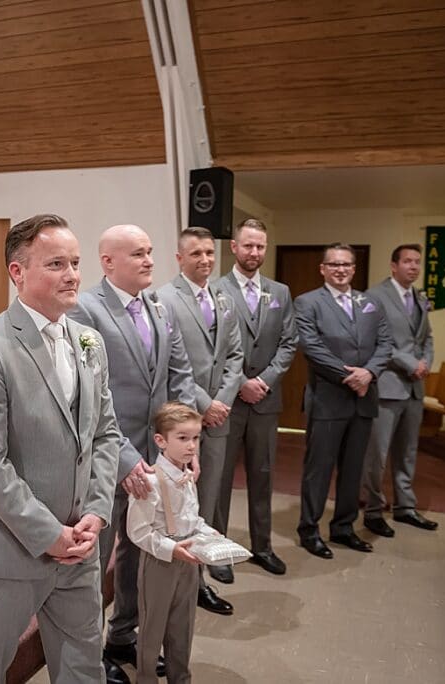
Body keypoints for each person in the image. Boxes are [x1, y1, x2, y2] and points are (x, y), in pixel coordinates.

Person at [0, 214, 120, 683]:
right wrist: (49, 534)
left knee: (84, 668)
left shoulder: (89, 342)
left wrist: (97, 514)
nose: (72, 275)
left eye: (76, 263)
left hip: (82, 542)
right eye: (56, 263)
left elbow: (105, 434)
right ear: (17, 273)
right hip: (11, 547)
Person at [68, 224, 196, 683]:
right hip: (107, 460)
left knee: (139, 554)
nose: (148, 261)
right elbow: (88, 395)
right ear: (108, 262)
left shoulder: (158, 307)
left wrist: (181, 445)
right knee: (97, 558)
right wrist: (124, 460)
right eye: (138, 254)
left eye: (150, 252)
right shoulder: (86, 311)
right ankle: (88, 654)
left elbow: (179, 376)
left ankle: (122, 634)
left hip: (155, 457)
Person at [156, 227, 243, 615]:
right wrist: (204, 404)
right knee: (180, 506)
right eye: (196, 254)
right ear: (179, 258)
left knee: (207, 499)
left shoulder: (223, 297)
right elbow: (174, 366)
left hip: (218, 416)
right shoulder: (165, 300)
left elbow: (235, 355)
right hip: (183, 421)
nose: (205, 260)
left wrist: (222, 401)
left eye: (210, 252)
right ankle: (182, 583)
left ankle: (201, 579)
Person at [294, 243, 393, 559]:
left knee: (353, 470)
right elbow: (310, 346)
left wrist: (370, 374)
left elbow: (386, 343)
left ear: (354, 268)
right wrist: (350, 376)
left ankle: (344, 528)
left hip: (363, 401)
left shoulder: (370, 303)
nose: (340, 269)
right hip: (328, 399)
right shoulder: (308, 302)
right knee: (318, 470)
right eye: (334, 264)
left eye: (346, 264)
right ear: (322, 268)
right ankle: (309, 530)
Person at [212, 219, 298, 580]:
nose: (254, 253)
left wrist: (263, 379)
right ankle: (217, 551)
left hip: (265, 400)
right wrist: (240, 383)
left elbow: (289, 342)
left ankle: (262, 546)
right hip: (229, 401)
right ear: (234, 246)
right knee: (219, 478)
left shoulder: (280, 293)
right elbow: (212, 347)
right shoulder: (215, 290)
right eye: (248, 246)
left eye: (260, 246)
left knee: (262, 475)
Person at [127, 402, 220, 684]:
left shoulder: (187, 477)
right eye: (183, 438)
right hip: (160, 561)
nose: (192, 446)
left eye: (195, 438)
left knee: (183, 625)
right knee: (153, 627)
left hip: (189, 559)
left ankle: (181, 678)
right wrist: (171, 549)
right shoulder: (151, 481)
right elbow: (138, 531)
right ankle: (146, 678)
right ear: (160, 440)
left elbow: (191, 519)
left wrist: (208, 534)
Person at [361, 244, 439, 537]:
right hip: (388, 386)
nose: (414, 267)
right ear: (393, 266)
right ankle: (372, 508)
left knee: (407, 452)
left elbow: (427, 337)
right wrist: (409, 363)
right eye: (408, 261)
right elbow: (375, 340)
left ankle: (405, 507)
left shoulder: (419, 298)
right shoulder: (375, 297)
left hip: (415, 388)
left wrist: (426, 362)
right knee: (378, 453)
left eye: (417, 262)